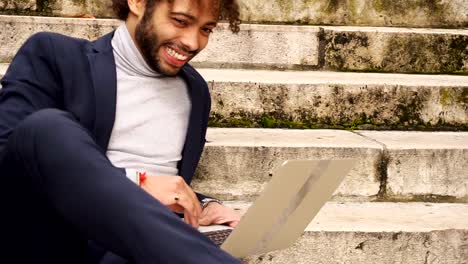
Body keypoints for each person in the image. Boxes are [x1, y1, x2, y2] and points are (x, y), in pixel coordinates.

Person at [0, 0, 243, 263]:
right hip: (51, 243)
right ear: (138, 3)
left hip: (129, 253)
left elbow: (150, 197)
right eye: (180, 21)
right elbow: (11, 156)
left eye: (206, 29)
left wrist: (203, 204)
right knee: (46, 128)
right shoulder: (55, 55)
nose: (193, 42)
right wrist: (138, 182)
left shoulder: (195, 91)